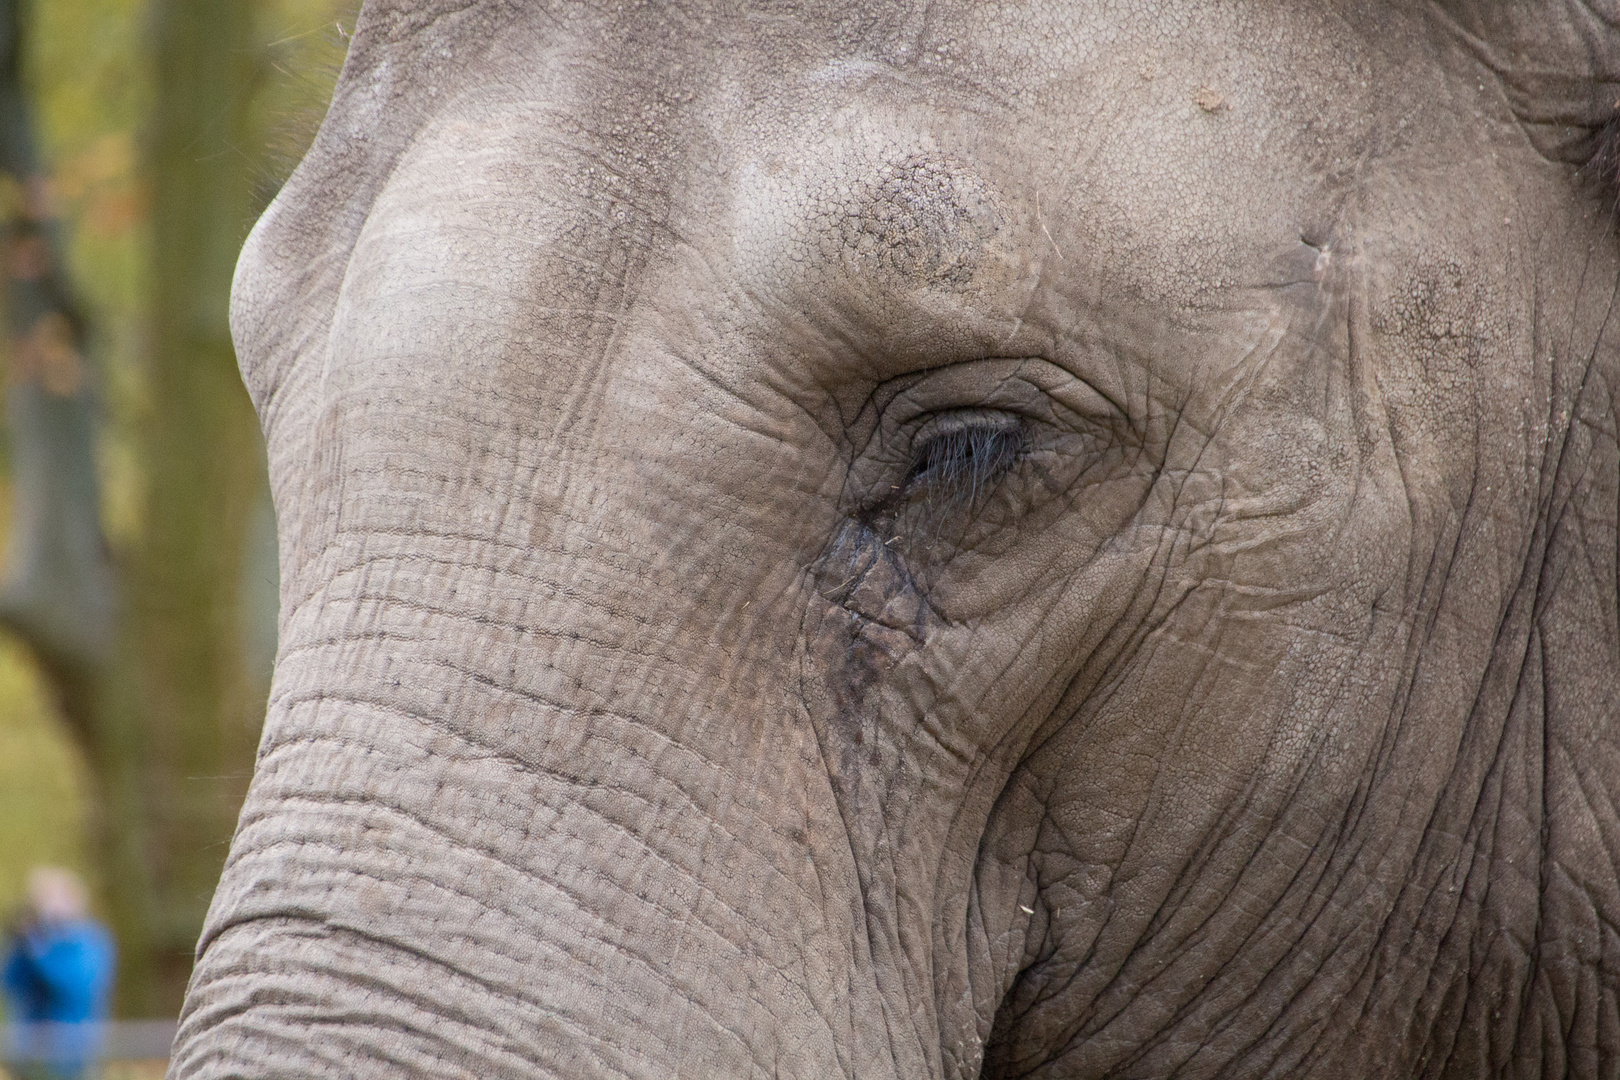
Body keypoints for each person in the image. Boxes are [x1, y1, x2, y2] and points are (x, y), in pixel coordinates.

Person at [1, 867, 115, 1080]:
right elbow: (9, 983)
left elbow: (77, 985)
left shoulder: (90, 940)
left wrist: (39, 951)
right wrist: (18, 946)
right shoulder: (37, 940)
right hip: (30, 1052)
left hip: (73, 1052)